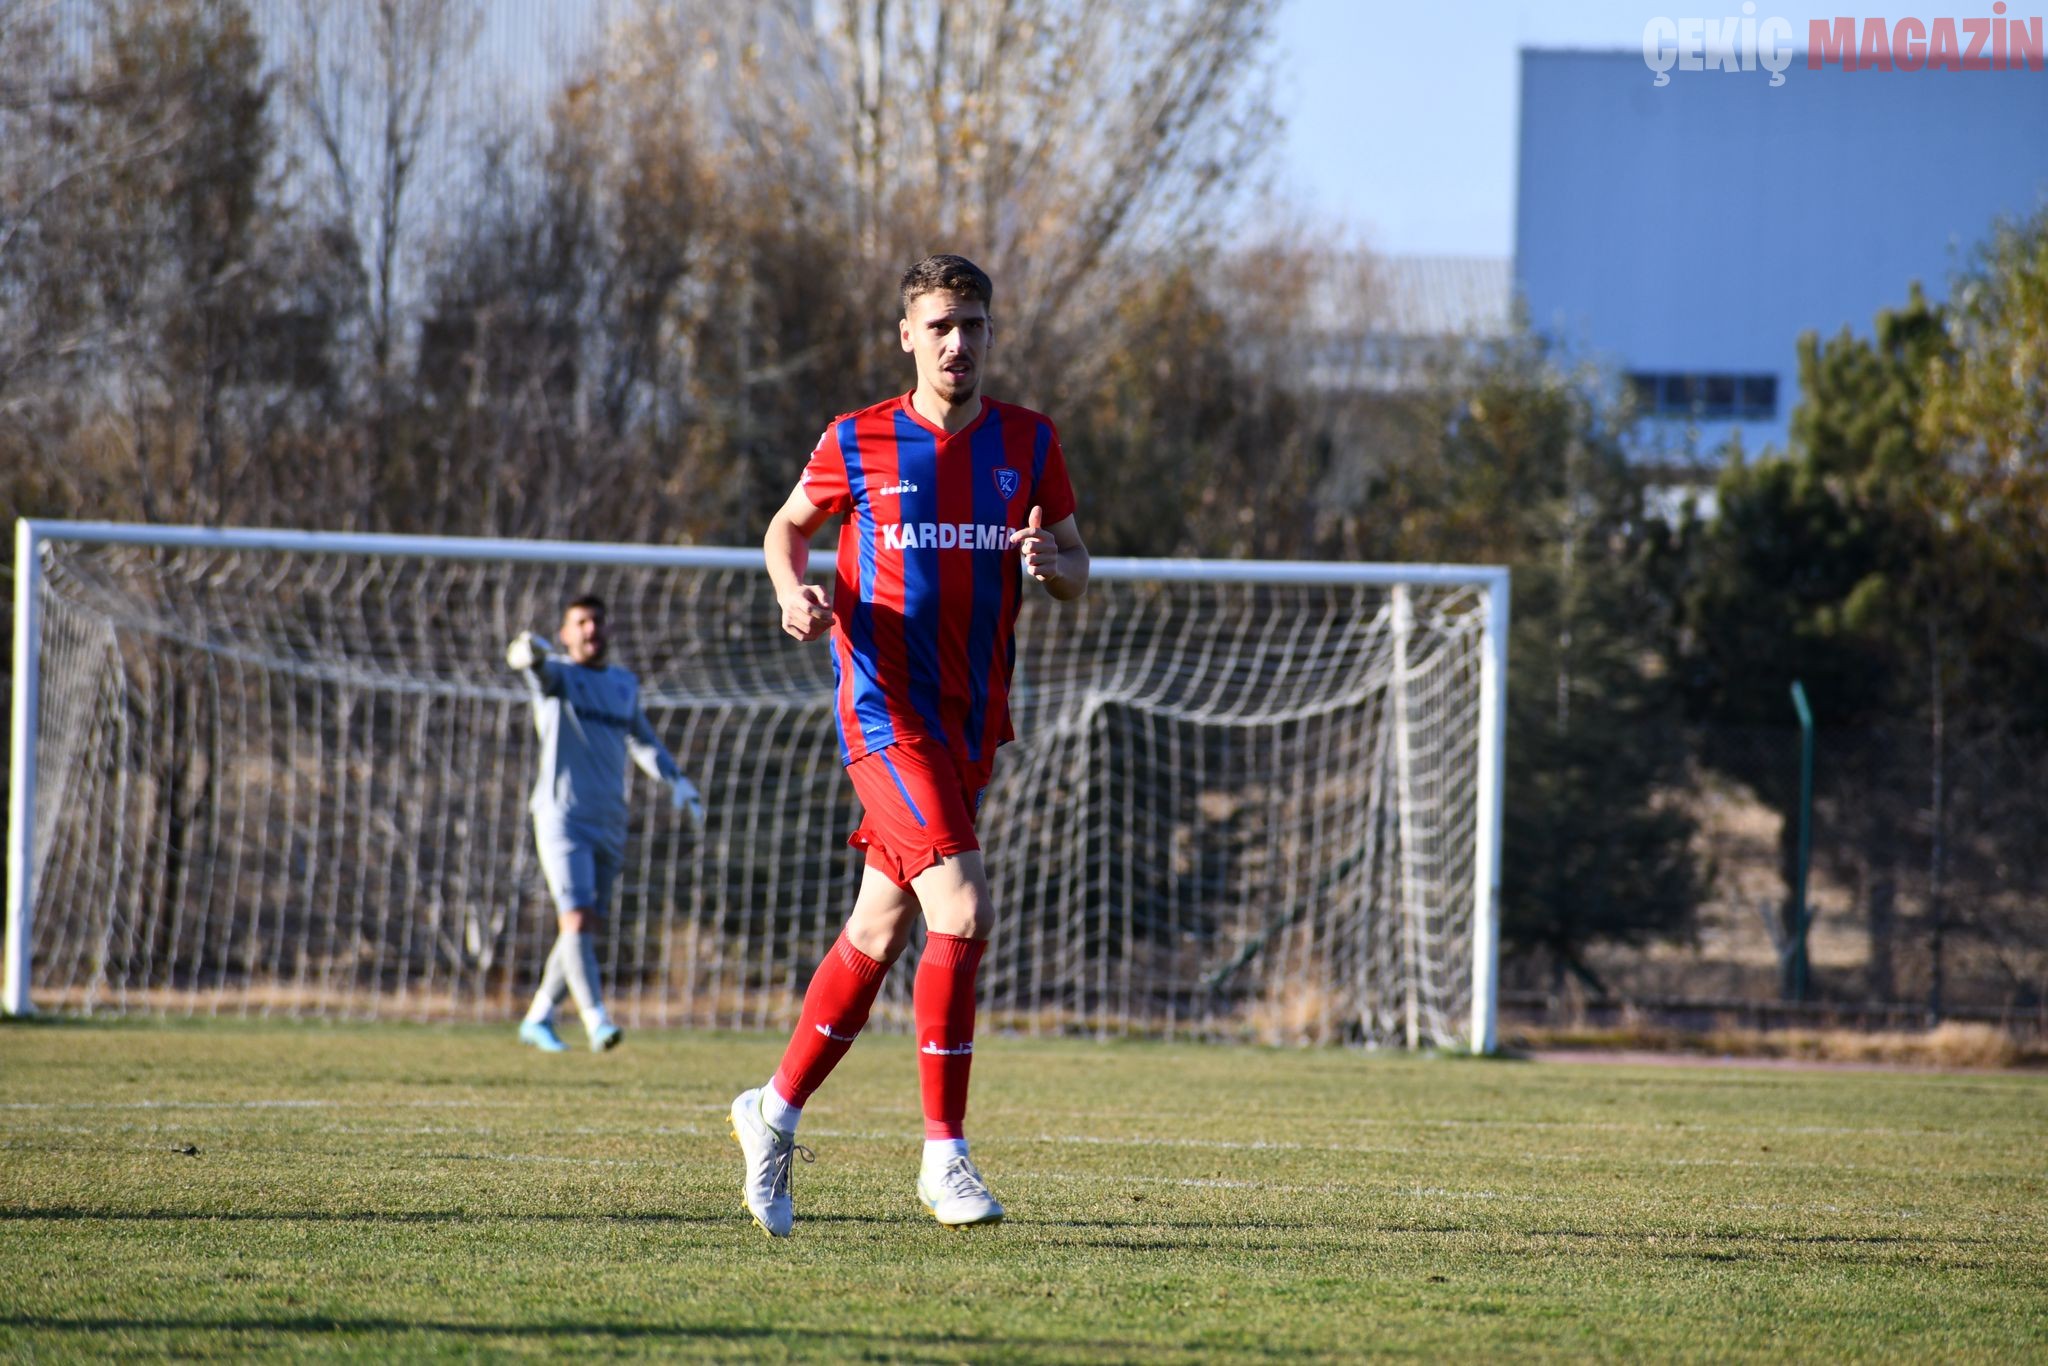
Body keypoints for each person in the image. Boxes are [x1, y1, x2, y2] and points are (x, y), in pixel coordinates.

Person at [732, 253, 1089, 1236]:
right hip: (883, 714)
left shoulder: (1028, 440)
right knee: (963, 911)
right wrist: (788, 590)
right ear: (907, 335)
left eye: (971, 326)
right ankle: (945, 1156)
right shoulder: (859, 440)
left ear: (988, 333)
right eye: (938, 326)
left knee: (881, 929)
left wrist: (1048, 560)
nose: (956, 343)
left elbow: (1076, 565)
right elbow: (785, 526)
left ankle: (771, 1109)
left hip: (972, 721)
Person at [507, 594, 704, 1053]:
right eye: (580, 623)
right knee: (575, 917)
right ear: (565, 633)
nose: (590, 630)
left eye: (596, 621)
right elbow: (535, 671)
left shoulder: (623, 684)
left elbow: (644, 740)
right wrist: (528, 656)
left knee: (584, 924)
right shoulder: (558, 676)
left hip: (610, 820)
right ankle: (597, 1020)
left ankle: (538, 1016)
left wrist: (677, 781)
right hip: (562, 818)